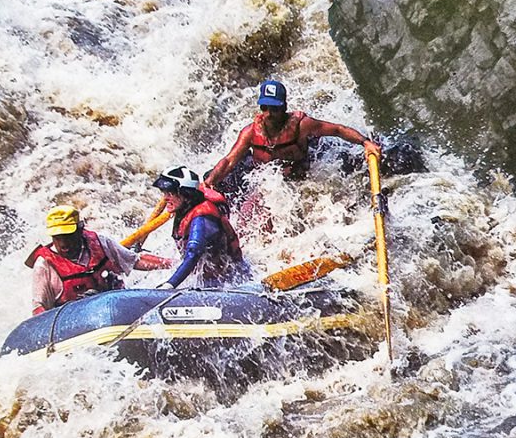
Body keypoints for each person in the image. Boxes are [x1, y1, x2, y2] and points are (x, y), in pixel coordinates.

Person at [204, 79, 382, 193]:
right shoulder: (250, 132)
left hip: (296, 170)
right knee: (214, 179)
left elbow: (337, 130)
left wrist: (365, 143)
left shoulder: (302, 125)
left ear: (283, 107)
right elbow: (229, 161)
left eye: (274, 109)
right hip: (264, 173)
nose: (268, 114)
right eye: (264, 108)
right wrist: (209, 182)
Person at [26, 205, 172, 315]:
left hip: (117, 309)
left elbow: (135, 261)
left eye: (68, 236)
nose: (63, 243)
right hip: (75, 321)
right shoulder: (44, 264)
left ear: (80, 230)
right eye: (58, 238)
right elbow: (38, 308)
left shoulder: (99, 242)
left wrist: (172, 264)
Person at [152, 166, 249, 289]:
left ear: (186, 194)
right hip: (208, 281)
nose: (165, 198)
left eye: (170, 193)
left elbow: (194, 252)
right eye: (164, 193)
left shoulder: (202, 218)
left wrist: (170, 285)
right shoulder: (184, 210)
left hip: (231, 282)